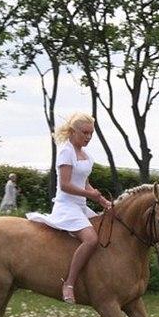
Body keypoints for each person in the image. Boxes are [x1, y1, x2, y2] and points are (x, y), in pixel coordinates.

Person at [26, 112, 111, 304]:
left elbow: (84, 183)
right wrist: (91, 195)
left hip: (80, 206)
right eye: (84, 133)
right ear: (73, 131)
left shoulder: (86, 156)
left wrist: (103, 201)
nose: (88, 137)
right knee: (91, 239)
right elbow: (65, 185)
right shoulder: (66, 151)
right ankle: (69, 283)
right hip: (66, 206)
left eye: (91, 133)